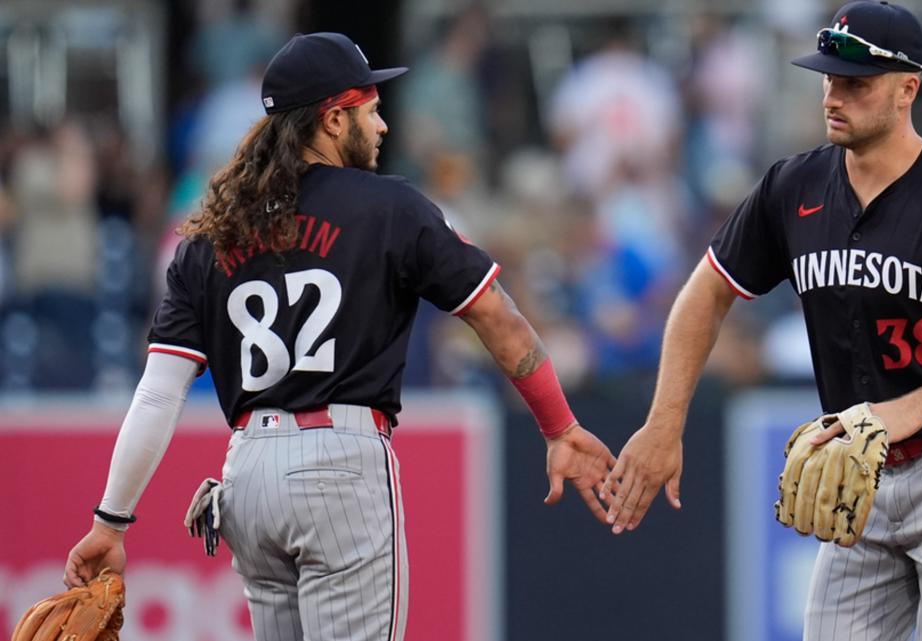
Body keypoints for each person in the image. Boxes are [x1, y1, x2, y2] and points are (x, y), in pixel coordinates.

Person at [61, 32, 615, 641]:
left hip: (246, 475)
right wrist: (559, 426)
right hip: (339, 463)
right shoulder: (390, 208)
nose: (380, 126)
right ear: (331, 119)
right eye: (370, 109)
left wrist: (110, 523)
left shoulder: (211, 233)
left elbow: (159, 394)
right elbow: (497, 317)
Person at [601, 3, 922, 640]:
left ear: (908, 88)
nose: (834, 94)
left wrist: (916, 407)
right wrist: (664, 422)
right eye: (828, 77)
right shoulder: (792, 187)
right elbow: (704, 293)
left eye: (856, 82)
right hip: (861, 468)